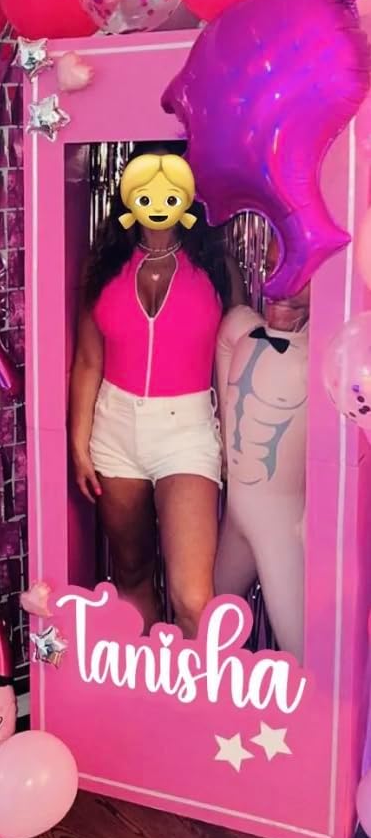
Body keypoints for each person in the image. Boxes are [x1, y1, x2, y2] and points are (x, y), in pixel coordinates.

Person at [70, 142, 245, 638]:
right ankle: (148, 682)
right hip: (114, 428)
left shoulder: (215, 265)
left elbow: (237, 360)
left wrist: (236, 442)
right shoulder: (104, 265)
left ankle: (199, 686)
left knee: (194, 598)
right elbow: (88, 360)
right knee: (131, 575)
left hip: (187, 429)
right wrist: (79, 443)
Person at [214, 237, 309, 662]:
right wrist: (222, 444)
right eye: (272, 267)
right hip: (235, 513)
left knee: (302, 647)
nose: (280, 283)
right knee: (209, 622)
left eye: (298, 273)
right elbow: (226, 343)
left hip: (281, 525)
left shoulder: (324, 356)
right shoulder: (240, 328)